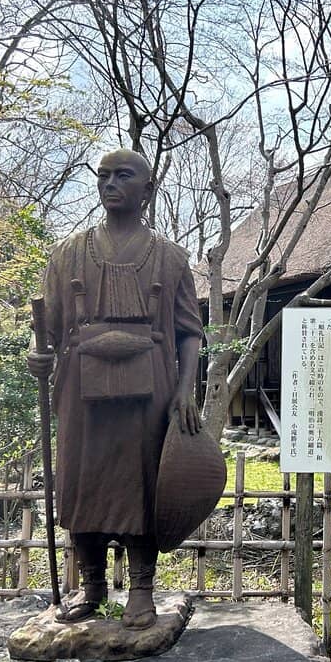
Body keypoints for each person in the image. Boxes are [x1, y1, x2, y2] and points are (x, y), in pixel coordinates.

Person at [27, 149, 203, 629]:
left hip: (151, 391)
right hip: (81, 387)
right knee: (81, 482)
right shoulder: (67, 254)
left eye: (123, 176)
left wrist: (186, 391)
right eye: (103, 176)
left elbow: (191, 332)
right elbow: (47, 328)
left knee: (145, 482)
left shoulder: (170, 259)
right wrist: (37, 353)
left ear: (147, 189)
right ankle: (91, 584)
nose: (110, 184)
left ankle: (143, 589)